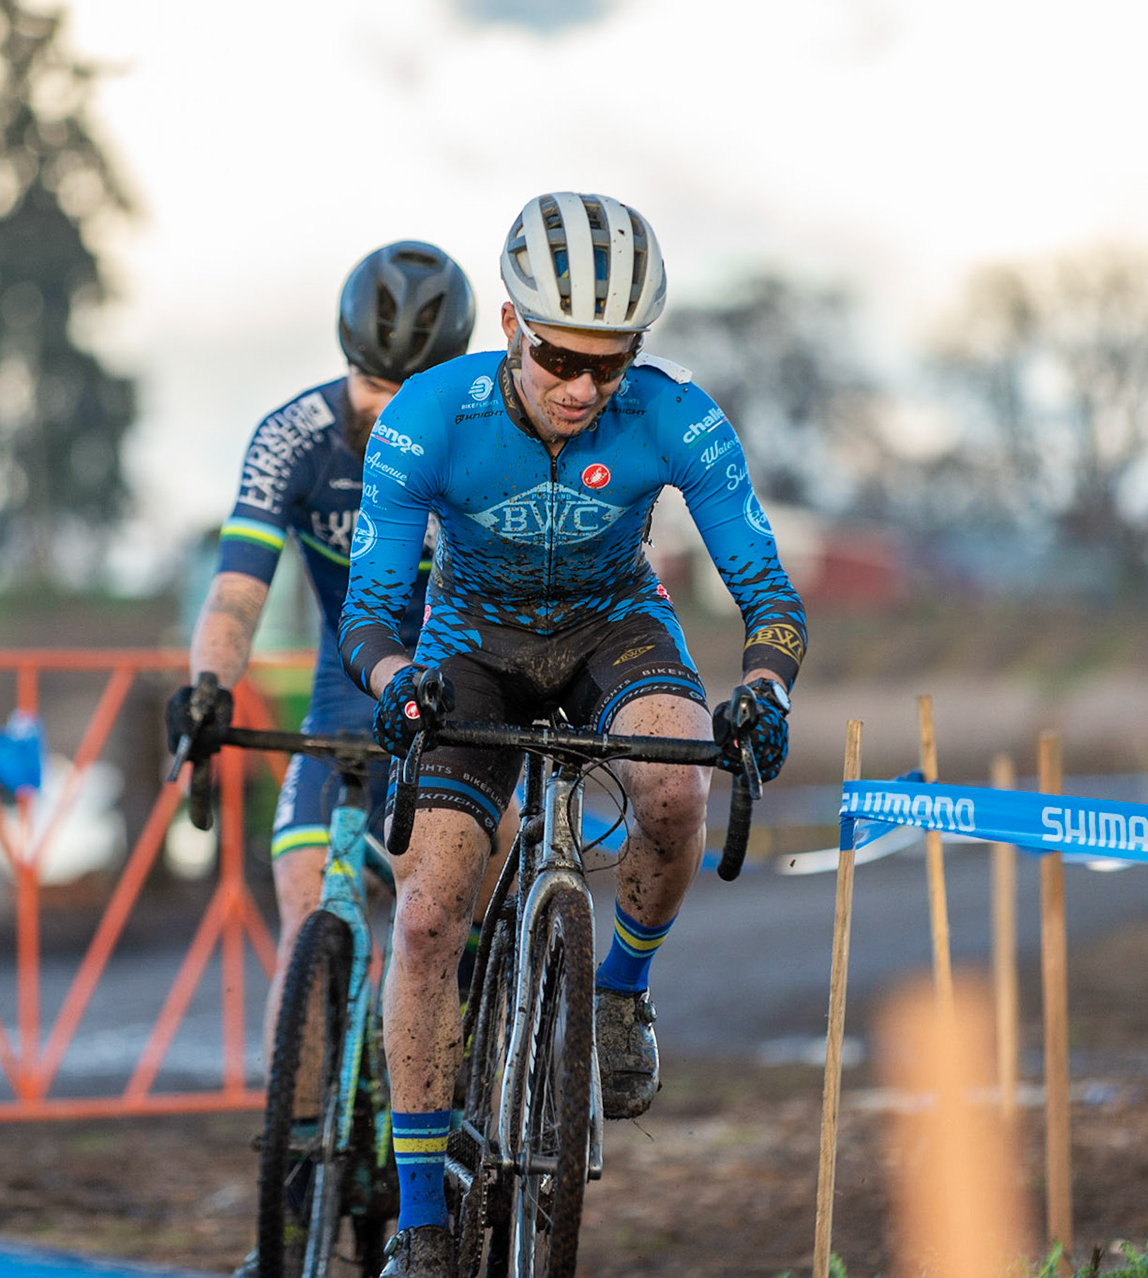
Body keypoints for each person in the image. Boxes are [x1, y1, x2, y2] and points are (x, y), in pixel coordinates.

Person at [338, 192, 806, 1274]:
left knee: (677, 787)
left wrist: (766, 693)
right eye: (558, 358)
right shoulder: (428, 414)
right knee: (425, 918)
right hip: (471, 645)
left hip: (613, 626)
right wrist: (397, 682)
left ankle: (621, 996)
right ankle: (423, 1225)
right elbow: (369, 608)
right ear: (510, 324)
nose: (583, 389)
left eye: (610, 363)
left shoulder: (676, 414)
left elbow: (767, 593)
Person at [165, 240, 475, 1278]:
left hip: (461, 710)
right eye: (372, 382)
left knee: (451, 920)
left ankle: (464, 1105)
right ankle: (294, 1204)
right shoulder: (292, 436)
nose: (385, 408)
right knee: (308, 911)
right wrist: (208, 686)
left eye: (409, 390)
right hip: (348, 702)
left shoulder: (484, 443)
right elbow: (238, 587)